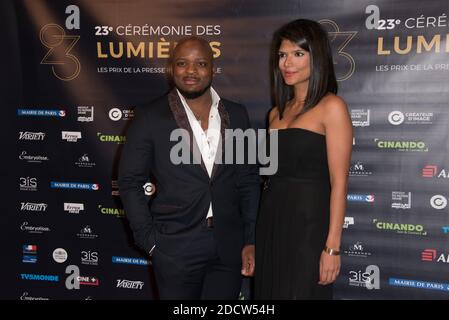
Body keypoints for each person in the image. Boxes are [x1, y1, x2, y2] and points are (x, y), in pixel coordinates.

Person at [118, 36, 260, 300]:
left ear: (213, 69)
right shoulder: (150, 116)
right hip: (175, 248)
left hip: (229, 246)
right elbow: (129, 181)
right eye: (182, 63)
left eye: (201, 63)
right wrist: (149, 242)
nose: (191, 71)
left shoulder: (238, 114)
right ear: (172, 68)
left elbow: (248, 179)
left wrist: (250, 238)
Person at [255, 19, 352, 299]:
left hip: (309, 226)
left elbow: (340, 182)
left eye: (298, 54)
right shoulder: (275, 113)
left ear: (317, 57)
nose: (287, 63)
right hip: (271, 220)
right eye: (282, 55)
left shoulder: (331, 107)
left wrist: (332, 246)